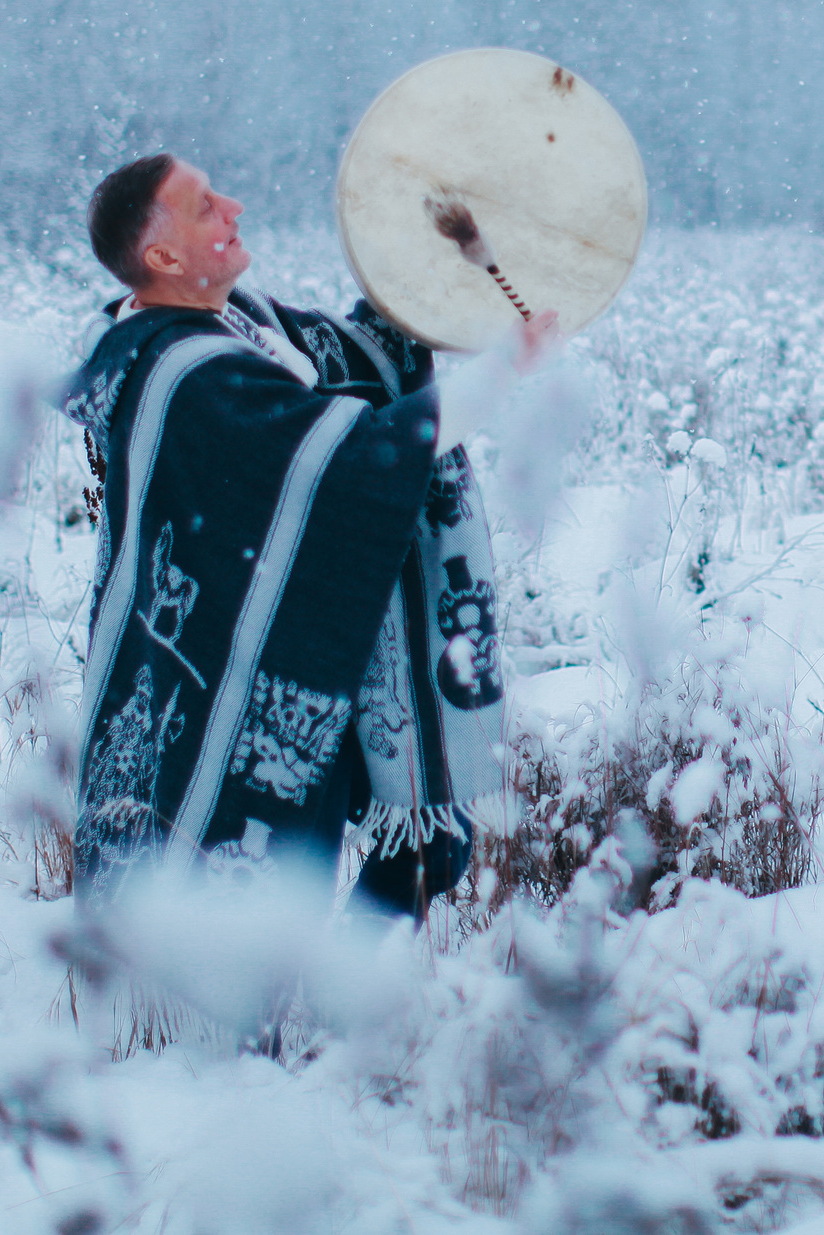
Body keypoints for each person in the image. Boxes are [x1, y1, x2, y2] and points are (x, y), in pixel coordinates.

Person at [60, 153, 558, 918]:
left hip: (304, 633)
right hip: (242, 665)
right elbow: (361, 451)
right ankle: (262, 1021)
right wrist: (504, 368)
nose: (234, 204)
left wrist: (444, 245)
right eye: (203, 206)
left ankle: (338, 997)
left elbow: (363, 358)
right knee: (264, 886)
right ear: (161, 258)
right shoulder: (183, 372)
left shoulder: (235, 322)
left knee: (431, 843)